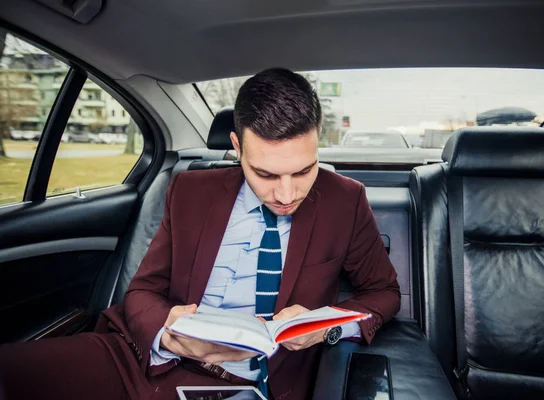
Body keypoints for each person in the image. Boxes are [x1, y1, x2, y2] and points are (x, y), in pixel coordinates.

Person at [0, 68, 401, 400]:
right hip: (144, 361)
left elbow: (384, 293)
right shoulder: (190, 191)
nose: (286, 194)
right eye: (264, 173)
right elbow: (142, 291)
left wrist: (326, 325)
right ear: (237, 149)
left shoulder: (344, 200)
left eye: (303, 171)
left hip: (259, 383)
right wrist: (167, 334)